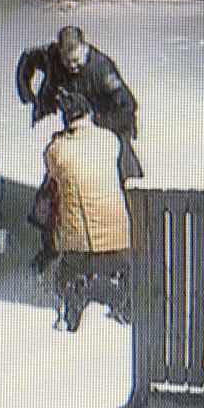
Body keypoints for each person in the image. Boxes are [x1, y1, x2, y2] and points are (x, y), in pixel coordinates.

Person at [37, 92, 132, 332]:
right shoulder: (111, 141)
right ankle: (120, 297)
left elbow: (51, 170)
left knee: (53, 194)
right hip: (121, 244)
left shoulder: (58, 149)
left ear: (66, 119)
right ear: (90, 114)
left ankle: (72, 305)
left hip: (82, 252)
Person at [16, 26, 144, 181]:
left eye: (76, 61)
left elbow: (128, 105)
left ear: (85, 48)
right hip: (76, 124)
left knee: (111, 175)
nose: (72, 66)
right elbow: (28, 58)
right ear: (60, 52)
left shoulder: (102, 68)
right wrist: (27, 94)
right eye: (67, 61)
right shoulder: (52, 56)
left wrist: (96, 120)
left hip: (106, 125)